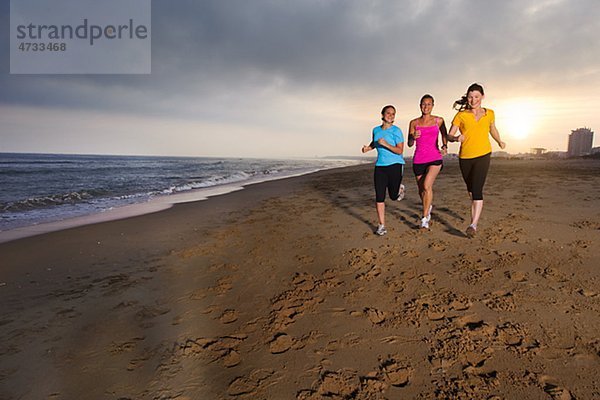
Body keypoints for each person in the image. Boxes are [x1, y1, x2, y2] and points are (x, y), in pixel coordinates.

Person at [447, 83, 506, 238]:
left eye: (477, 97)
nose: (473, 100)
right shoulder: (461, 115)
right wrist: (455, 138)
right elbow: (448, 135)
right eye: (471, 97)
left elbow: (492, 129)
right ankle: (474, 211)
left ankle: (473, 225)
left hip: (483, 155)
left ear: (482, 97)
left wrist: (499, 141)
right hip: (465, 157)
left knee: (477, 189)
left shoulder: (490, 113)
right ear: (467, 98)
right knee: (471, 191)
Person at [362, 105, 406, 236]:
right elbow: (375, 142)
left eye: (393, 114)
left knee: (393, 196)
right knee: (379, 196)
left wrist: (386, 144)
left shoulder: (397, 131)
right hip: (380, 166)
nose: (391, 115)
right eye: (388, 113)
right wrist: (368, 148)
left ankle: (399, 189)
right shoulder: (375, 130)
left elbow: (400, 150)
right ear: (382, 114)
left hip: (395, 165)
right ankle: (381, 225)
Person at [407, 94, 448, 230]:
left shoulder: (439, 120)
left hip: (435, 157)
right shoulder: (414, 123)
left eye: (429, 104)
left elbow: (444, 134)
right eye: (424, 104)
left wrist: (445, 146)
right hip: (419, 159)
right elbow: (409, 143)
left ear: (433, 105)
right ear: (420, 106)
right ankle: (428, 206)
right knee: (422, 190)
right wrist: (413, 136)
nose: (426, 106)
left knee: (426, 185)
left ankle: (424, 218)